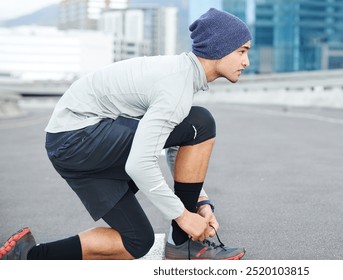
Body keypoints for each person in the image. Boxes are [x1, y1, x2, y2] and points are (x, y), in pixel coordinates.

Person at [0, 8, 251, 260]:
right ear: (219, 49)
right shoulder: (176, 83)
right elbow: (140, 164)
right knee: (201, 121)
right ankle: (184, 243)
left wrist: (200, 203)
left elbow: (176, 149)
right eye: (241, 51)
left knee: (137, 241)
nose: (246, 62)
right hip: (78, 138)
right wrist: (184, 218)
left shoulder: (180, 77)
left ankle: (29, 255)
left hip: (74, 148)